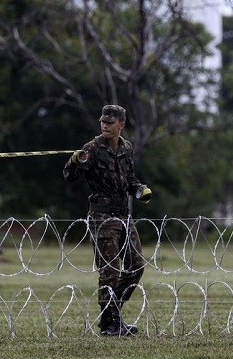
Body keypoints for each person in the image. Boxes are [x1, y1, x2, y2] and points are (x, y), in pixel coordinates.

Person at [63, 104, 152, 337]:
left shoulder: (127, 148)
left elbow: (129, 179)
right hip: (102, 217)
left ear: (121, 124)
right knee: (110, 270)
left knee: (136, 265)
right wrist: (73, 161)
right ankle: (109, 322)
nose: (105, 126)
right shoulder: (91, 149)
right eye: (102, 122)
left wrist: (140, 189)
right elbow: (69, 177)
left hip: (123, 215)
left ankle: (114, 314)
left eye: (110, 123)